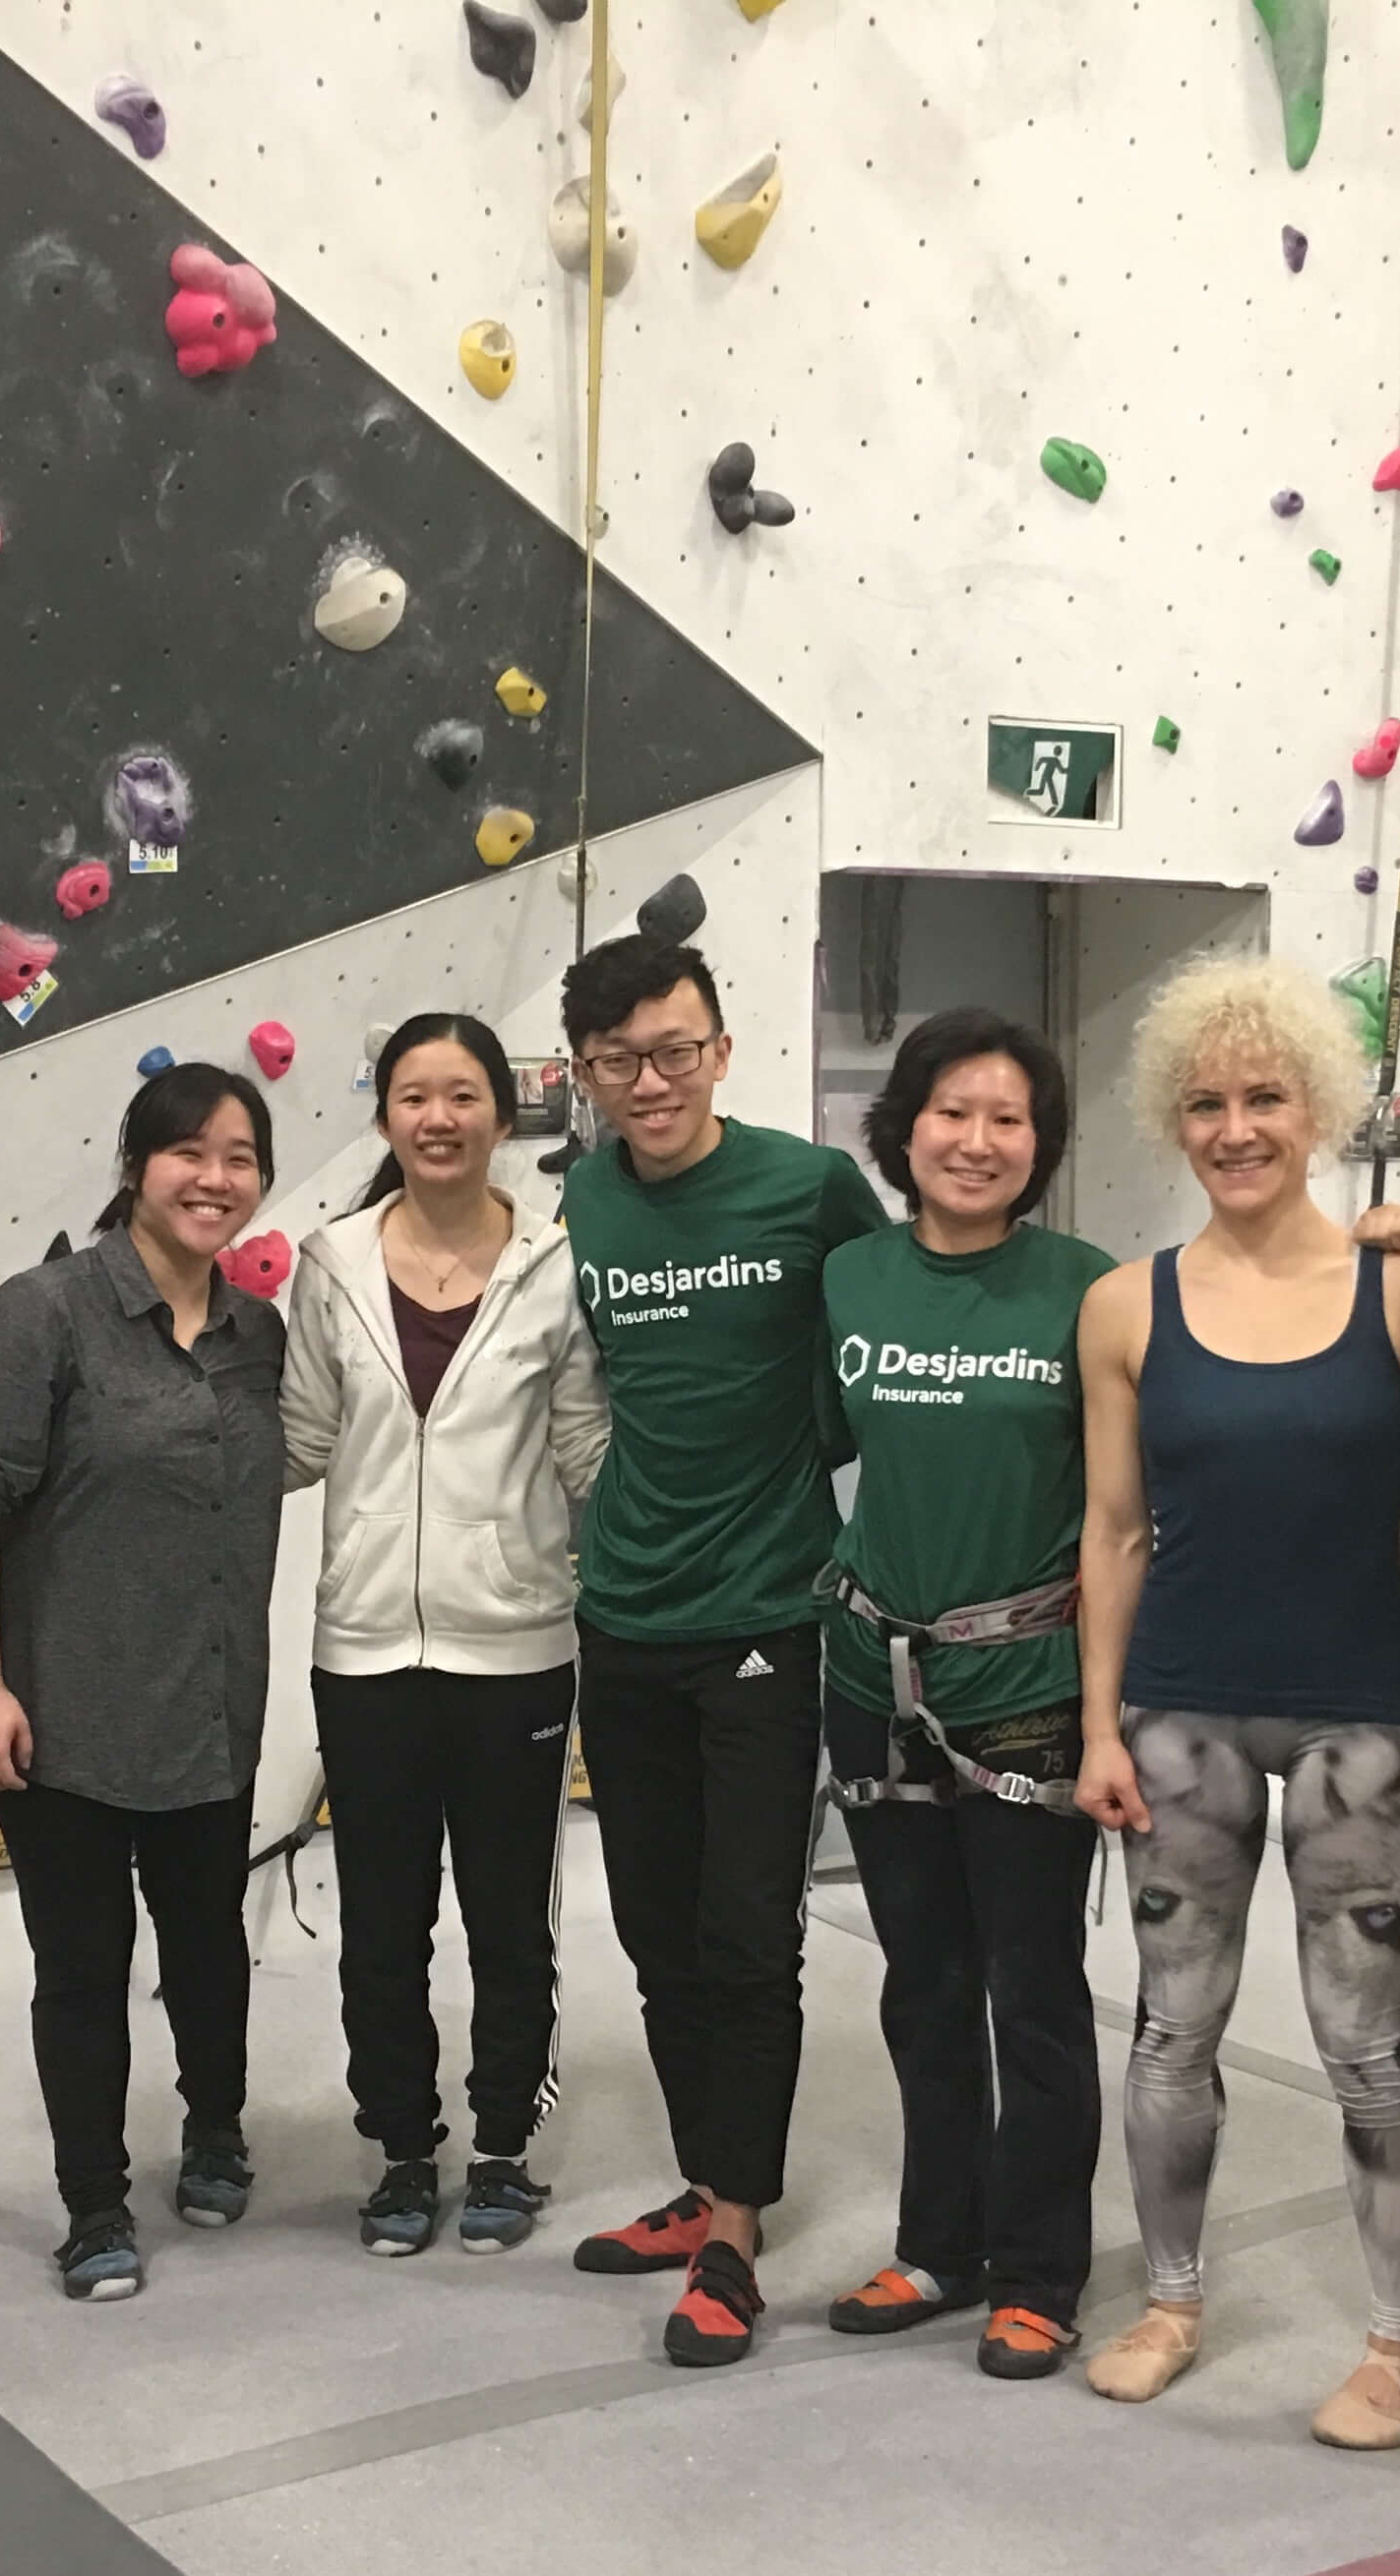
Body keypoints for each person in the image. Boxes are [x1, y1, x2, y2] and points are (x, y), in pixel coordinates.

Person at [1072, 954, 1400, 2448]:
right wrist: (1099, 1723)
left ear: (1320, 1108)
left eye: (1263, 1096)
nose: (1234, 1126)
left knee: (1364, 2040)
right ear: (1171, 1120)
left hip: (1357, 1713)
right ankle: (1169, 2299)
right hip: (1179, 1710)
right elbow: (1110, 1533)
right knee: (1172, 2031)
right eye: (1204, 1103)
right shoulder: (1125, 1304)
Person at [556, 932, 888, 2365]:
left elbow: (892, 1330)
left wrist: (804, 1460)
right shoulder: (578, 1200)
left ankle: (736, 2233)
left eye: (676, 1049)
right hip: (618, 1617)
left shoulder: (809, 1185)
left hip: (762, 1615)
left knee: (747, 1933)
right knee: (653, 1933)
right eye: (619, 1059)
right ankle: (702, 2179)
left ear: (721, 1047)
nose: (652, 1080)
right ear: (583, 1075)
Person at [0, 1062, 286, 2303]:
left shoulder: (257, 1335)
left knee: (207, 1950)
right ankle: (93, 2203)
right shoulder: (44, 1315)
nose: (215, 1177)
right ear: (138, 1166)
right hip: (65, 1714)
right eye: (190, 1152)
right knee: (82, 1966)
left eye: (240, 1156)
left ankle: (218, 2131)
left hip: (208, 1703)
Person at [813, 1009, 1110, 2382]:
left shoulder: (1089, 1290)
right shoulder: (851, 1280)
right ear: (905, 1126)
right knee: (924, 1981)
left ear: (1038, 1142)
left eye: (1007, 1117)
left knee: (1032, 1987)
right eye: (951, 1110)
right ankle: (938, 2240)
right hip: (874, 1676)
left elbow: (1127, 1514)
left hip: (1027, 1690)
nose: (976, 1139)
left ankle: (1040, 2267)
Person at [281, 1013, 608, 2258]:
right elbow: (300, 1441)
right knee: (381, 1918)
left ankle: (505, 2154)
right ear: (383, 1119)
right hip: (363, 1648)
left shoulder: (556, 1261)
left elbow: (587, 1450)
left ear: (501, 1113)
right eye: (413, 1095)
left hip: (517, 1643)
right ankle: (403, 2152)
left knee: (510, 1919)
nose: (438, 1117)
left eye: (462, 1093)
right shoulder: (332, 1262)